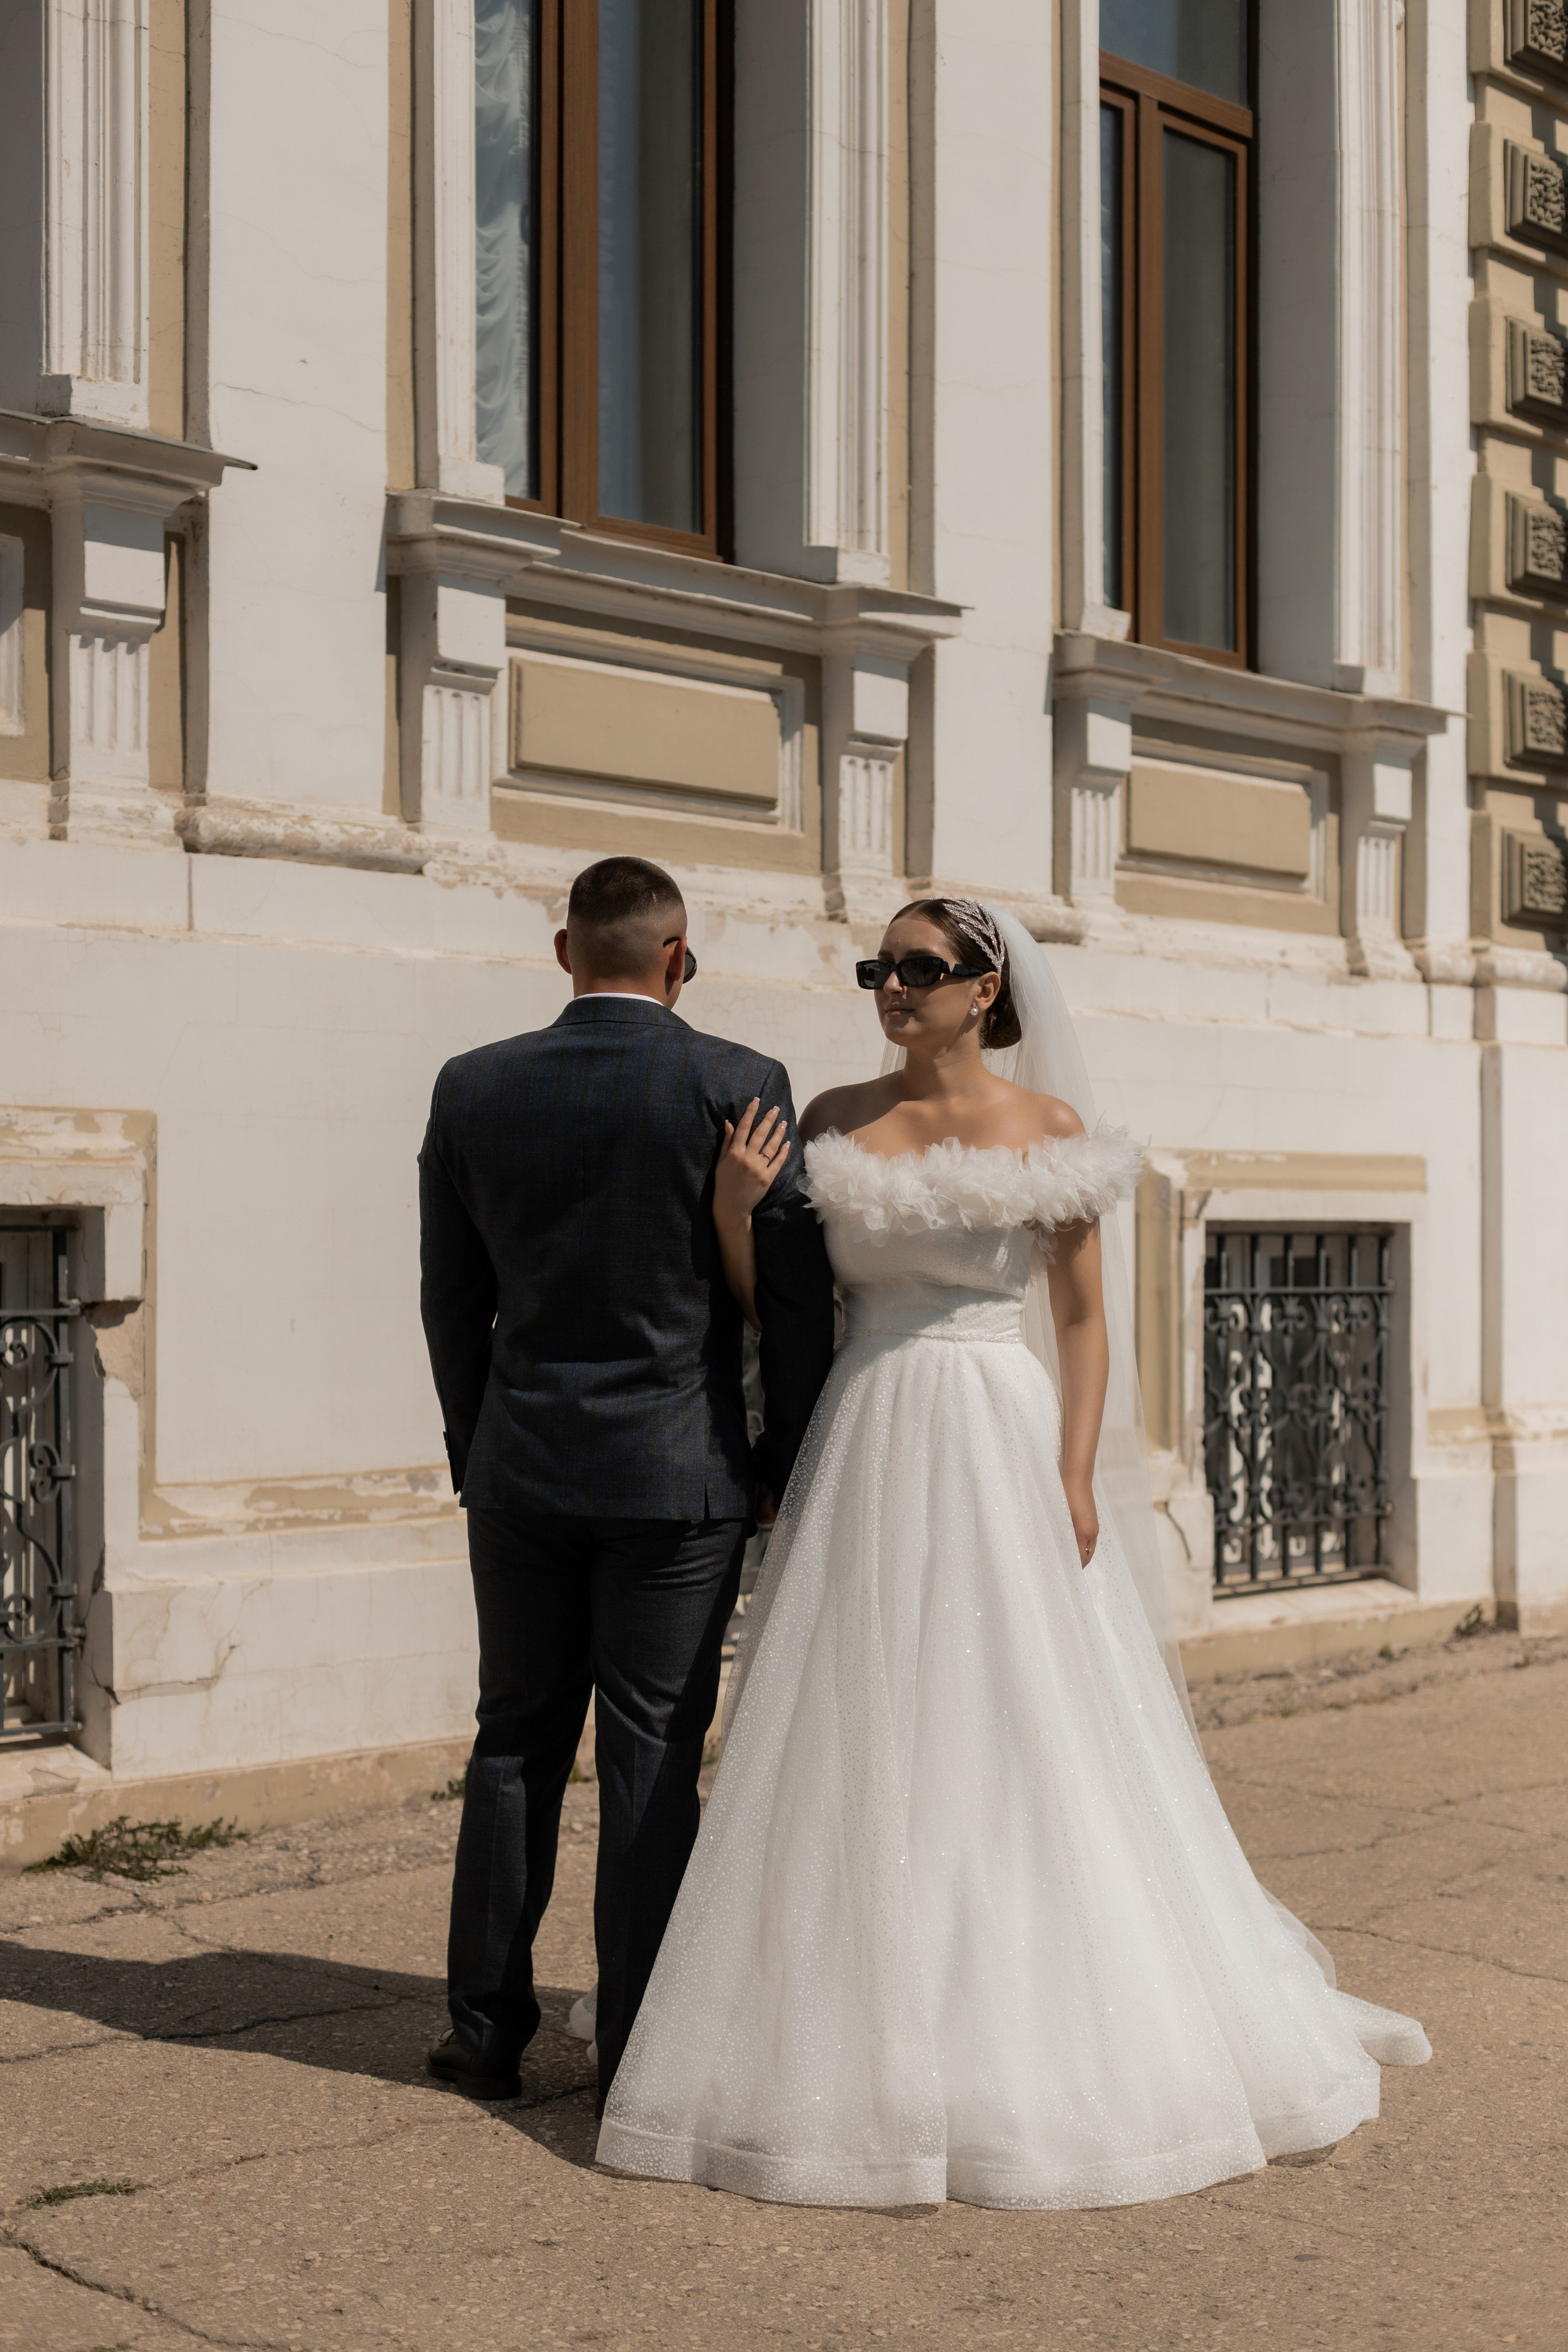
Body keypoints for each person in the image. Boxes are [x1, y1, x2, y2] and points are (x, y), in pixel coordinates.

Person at [597, 896, 1430, 2209]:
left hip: (996, 1427)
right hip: (867, 1429)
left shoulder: (1047, 1125)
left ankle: (1025, 1999)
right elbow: (787, 1315)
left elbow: (1084, 1321)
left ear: (985, 989)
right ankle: (838, 2008)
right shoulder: (830, 1118)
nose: (891, 987)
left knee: (1016, 1708)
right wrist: (735, 1216)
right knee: (861, 1715)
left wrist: (1075, 1469)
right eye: (877, 968)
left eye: (918, 969)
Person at [417, 855, 835, 2108]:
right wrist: (784, 1462)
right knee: (651, 1751)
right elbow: (794, 1304)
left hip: (522, 1469)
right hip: (678, 1472)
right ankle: (636, 2054)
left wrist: (477, 1450)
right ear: (677, 956)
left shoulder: (473, 1084)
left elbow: (451, 1300)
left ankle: (485, 2034)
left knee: (513, 1741)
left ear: (563, 952)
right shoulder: (735, 1082)